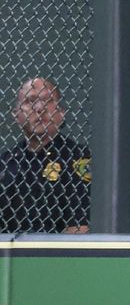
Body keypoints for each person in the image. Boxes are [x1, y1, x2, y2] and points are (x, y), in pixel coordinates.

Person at [0, 77, 91, 233]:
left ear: (61, 113)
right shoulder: (6, 162)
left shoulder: (77, 158)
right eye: (30, 101)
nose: (40, 108)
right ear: (16, 115)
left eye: (47, 101)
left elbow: (80, 228)